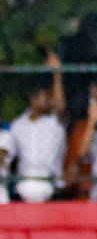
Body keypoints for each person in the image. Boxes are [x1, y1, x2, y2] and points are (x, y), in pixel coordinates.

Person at [10, 53, 67, 202]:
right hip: (24, 187)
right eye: (46, 96)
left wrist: (57, 75)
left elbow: (59, 106)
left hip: (52, 188)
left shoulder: (54, 123)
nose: (50, 100)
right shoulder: (18, 125)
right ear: (33, 99)